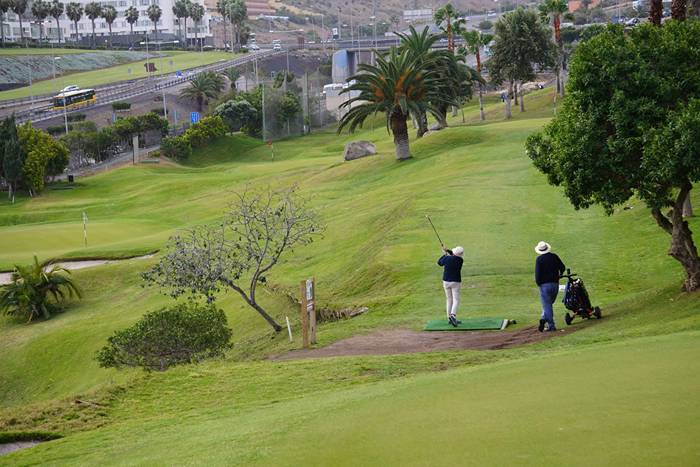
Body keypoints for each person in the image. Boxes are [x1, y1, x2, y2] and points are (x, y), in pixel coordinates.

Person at [534, 241, 566, 332]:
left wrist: (539, 284)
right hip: (555, 284)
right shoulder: (554, 256)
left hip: (544, 285)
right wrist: (559, 275)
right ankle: (543, 318)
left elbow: (537, 274)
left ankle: (551, 326)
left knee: (547, 305)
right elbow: (562, 267)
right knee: (549, 304)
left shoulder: (539, 259)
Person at [438, 246, 464, 327]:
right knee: (456, 300)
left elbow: (439, 263)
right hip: (455, 282)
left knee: (449, 299)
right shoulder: (460, 260)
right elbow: (454, 255)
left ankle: (449, 318)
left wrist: (444, 254)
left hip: (446, 282)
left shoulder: (447, 258)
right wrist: (447, 251)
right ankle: (453, 315)